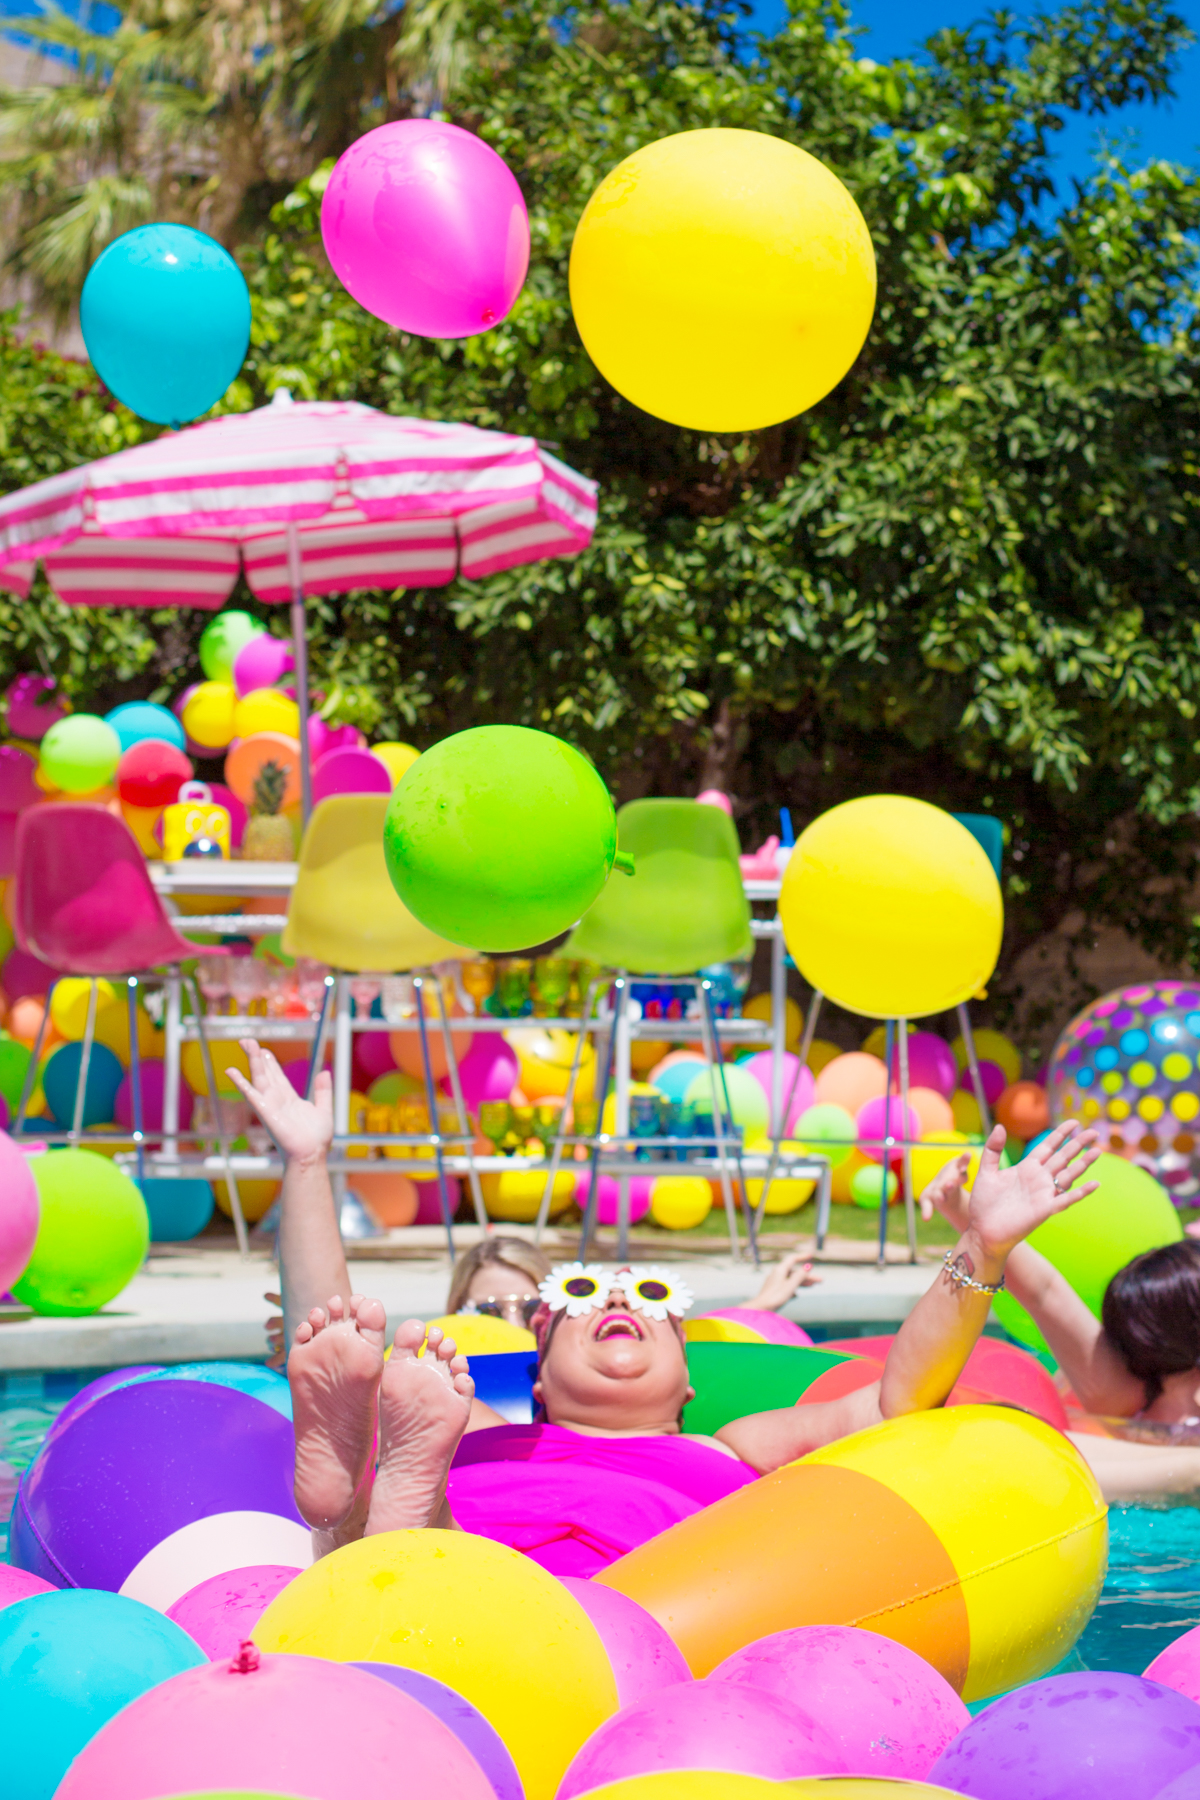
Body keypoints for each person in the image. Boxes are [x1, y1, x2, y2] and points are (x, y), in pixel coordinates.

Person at [229, 1039, 1101, 1569]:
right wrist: (308, 1165)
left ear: (690, 1380)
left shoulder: (732, 1448)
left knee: (400, 1502)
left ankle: (382, 1525)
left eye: (654, 1297)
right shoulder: (476, 1431)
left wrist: (979, 1245)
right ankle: (382, 1515)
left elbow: (894, 1402)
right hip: (462, 1547)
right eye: (579, 1296)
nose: (619, 1301)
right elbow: (332, 1336)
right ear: (535, 1375)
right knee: (376, 1451)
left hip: (637, 1601)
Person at [922, 1157, 1200, 1500]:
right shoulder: (1124, 1394)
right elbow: (1044, 1292)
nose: (1115, 1337)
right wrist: (963, 1209)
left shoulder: (1126, 1396)